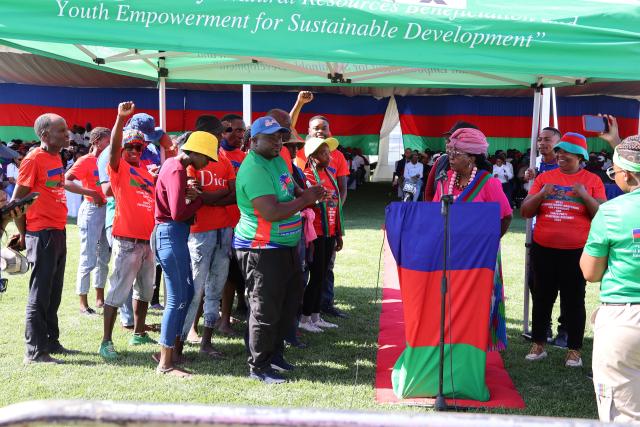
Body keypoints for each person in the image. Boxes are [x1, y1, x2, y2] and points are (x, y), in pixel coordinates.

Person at [234, 116, 324, 384]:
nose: (278, 141)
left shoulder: (278, 159)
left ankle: (275, 356)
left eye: (280, 136)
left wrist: (308, 193)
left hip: (283, 245)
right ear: (253, 141)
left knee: (287, 303)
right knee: (265, 307)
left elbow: (292, 187)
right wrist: (306, 200)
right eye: (271, 137)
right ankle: (259, 366)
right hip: (261, 248)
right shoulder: (253, 169)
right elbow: (271, 211)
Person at [521, 132, 606, 367]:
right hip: (544, 249)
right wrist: (541, 194)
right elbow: (526, 211)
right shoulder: (544, 178)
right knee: (542, 297)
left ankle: (574, 350)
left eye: (566, 152)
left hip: (576, 252)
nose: (560, 155)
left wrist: (584, 196)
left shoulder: (592, 181)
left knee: (574, 300)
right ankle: (539, 343)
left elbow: (601, 214)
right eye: (558, 151)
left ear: (580, 156)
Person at [433, 128, 513, 351]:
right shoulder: (445, 179)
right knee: (450, 298)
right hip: (450, 251)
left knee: (476, 302)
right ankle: (451, 339)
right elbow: (433, 211)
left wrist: (491, 241)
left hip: (478, 255)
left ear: (472, 157)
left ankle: (475, 343)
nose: (450, 156)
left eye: (456, 153)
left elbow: (506, 216)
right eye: (449, 151)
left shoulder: (488, 183)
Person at [580, 137, 640, 423]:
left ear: (626, 174)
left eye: (613, 171)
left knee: (624, 415)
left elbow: (590, 273)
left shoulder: (612, 211)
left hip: (624, 320)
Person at [154, 130, 216, 376]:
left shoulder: (172, 165)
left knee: (186, 293)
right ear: (197, 152)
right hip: (170, 234)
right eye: (207, 158)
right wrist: (200, 199)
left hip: (173, 235)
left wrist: (190, 197)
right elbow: (179, 212)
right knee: (177, 299)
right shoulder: (177, 169)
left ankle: (170, 352)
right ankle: (165, 362)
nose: (207, 164)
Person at [99, 103, 157, 361]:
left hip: (149, 242)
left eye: (139, 147)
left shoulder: (146, 171)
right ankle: (106, 341)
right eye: (129, 147)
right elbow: (113, 149)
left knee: (145, 291)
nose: (134, 150)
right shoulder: (118, 167)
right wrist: (120, 121)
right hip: (127, 241)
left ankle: (139, 331)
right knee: (117, 291)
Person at [13, 113, 71, 364]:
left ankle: (51, 342)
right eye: (62, 130)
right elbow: (17, 201)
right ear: (45, 134)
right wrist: (25, 234)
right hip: (42, 233)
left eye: (67, 130)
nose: (67, 134)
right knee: (40, 292)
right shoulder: (33, 159)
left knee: (54, 292)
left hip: (58, 230)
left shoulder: (56, 155)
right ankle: (34, 352)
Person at [180, 118, 237, 359]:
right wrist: (215, 196)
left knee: (215, 287)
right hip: (200, 231)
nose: (221, 136)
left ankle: (207, 341)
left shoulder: (222, 158)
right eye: (218, 132)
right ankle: (182, 340)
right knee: (195, 287)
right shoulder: (192, 158)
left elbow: (233, 193)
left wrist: (208, 197)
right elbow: (191, 194)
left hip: (224, 230)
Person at [64, 127, 111, 315]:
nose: (111, 145)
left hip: (107, 211)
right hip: (92, 210)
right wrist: (90, 192)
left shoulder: (109, 159)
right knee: (88, 256)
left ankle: (100, 298)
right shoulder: (85, 161)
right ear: (97, 141)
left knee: (104, 258)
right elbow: (66, 180)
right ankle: (83, 302)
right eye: (108, 141)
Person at [299, 137, 343, 333]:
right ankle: (305, 318)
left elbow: (336, 205)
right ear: (313, 156)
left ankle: (316, 317)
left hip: (330, 232)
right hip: (315, 233)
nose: (330, 156)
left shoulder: (330, 175)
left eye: (329, 152)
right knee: (315, 276)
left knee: (322, 275)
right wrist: (316, 200)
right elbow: (305, 203)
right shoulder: (307, 176)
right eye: (325, 153)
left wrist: (339, 234)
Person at [424, 121, 479, 201]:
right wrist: (432, 210)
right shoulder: (441, 161)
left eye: (453, 141)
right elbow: (429, 192)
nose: (448, 144)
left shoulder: (484, 175)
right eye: (448, 140)